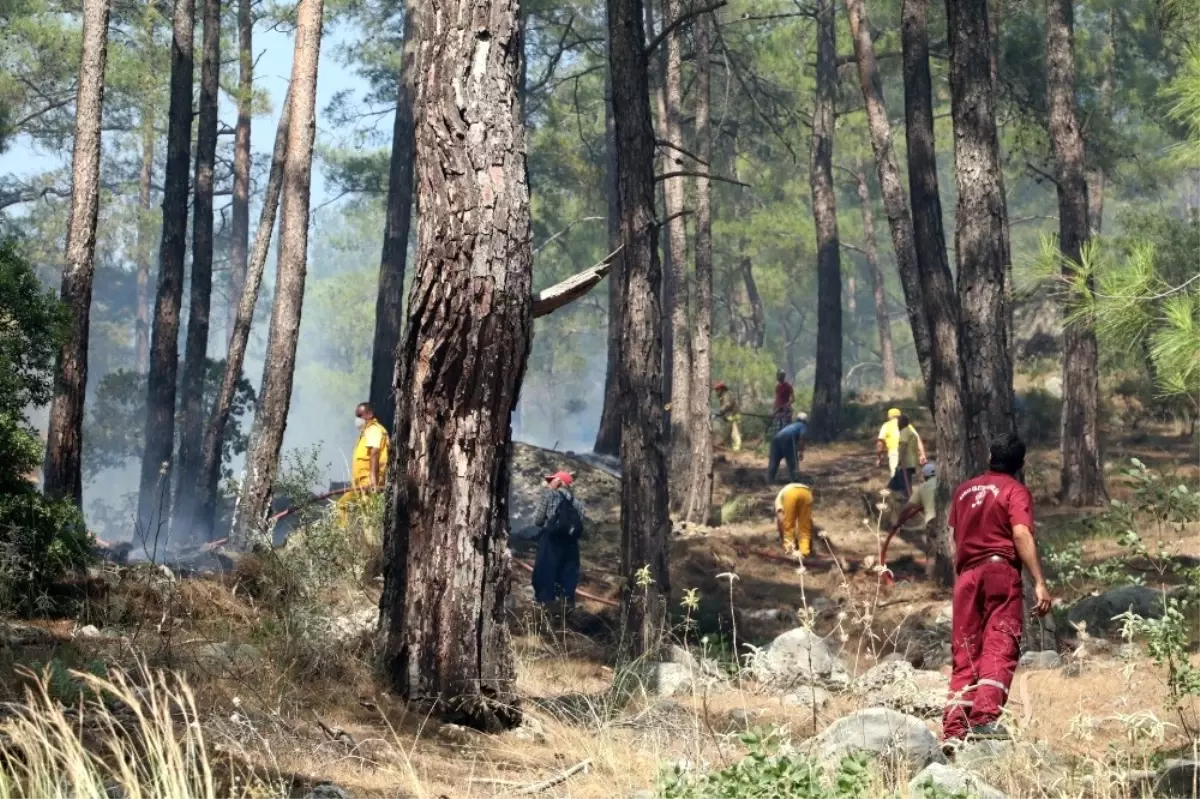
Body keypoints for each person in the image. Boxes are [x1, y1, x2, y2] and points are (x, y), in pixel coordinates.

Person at [942, 434, 1052, 747]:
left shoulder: (963, 491)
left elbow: (955, 538)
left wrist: (964, 576)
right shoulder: (1015, 491)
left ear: (990, 456)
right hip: (999, 572)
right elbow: (1020, 534)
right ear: (1021, 464)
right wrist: (1039, 581)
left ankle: (953, 732)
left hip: (967, 576)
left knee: (965, 652)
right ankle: (983, 723)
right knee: (999, 645)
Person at [531, 471, 586, 608]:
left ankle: (545, 607)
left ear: (559, 482)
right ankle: (565, 609)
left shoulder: (549, 496)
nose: (549, 483)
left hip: (551, 542)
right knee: (567, 577)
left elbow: (537, 521)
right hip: (571, 546)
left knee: (545, 574)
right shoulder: (579, 503)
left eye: (552, 480)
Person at [338, 403, 390, 521]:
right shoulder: (365, 433)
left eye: (360, 415)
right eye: (356, 416)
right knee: (345, 505)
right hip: (360, 483)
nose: (357, 419)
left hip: (368, 483)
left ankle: (354, 536)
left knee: (366, 514)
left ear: (370, 414)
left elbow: (375, 452)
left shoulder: (374, 430)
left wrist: (373, 481)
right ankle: (347, 536)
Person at [887, 414, 923, 500]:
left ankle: (907, 501)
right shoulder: (911, 432)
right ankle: (896, 499)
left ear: (902, 423)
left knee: (904, 485)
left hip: (906, 463)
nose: (898, 424)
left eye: (899, 422)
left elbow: (903, 446)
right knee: (896, 483)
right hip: (911, 462)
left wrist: (900, 460)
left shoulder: (904, 432)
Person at [775, 481, 815, 557]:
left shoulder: (778, 500)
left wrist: (783, 537)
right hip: (807, 492)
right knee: (805, 526)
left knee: (788, 525)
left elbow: (781, 520)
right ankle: (805, 551)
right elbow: (809, 521)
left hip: (791, 493)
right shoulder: (784, 492)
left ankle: (790, 551)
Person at [768, 412, 808, 483]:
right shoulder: (802, 426)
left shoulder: (792, 425)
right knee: (792, 460)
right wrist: (801, 451)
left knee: (774, 460)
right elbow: (802, 438)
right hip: (788, 439)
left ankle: (770, 479)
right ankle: (795, 480)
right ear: (805, 421)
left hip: (776, 438)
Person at [714, 382, 742, 452]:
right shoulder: (723, 396)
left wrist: (720, 411)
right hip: (731, 417)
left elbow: (727, 405)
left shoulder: (726, 395)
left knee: (735, 433)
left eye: (717, 390)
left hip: (734, 416)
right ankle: (729, 448)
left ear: (721, 389)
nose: (716, 392)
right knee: (728, 433)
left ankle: (736, 450)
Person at [769, 370, 794, 437]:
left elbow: (793, 399)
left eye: (780, 376)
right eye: (778, 376)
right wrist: (773, 410)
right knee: (777, 428)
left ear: (783, 377)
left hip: (785, 411)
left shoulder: (788, 386)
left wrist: (786, 405)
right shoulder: (777, 387)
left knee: (785, 427)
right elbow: (776, 398)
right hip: (778, 410)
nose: (778, 377)